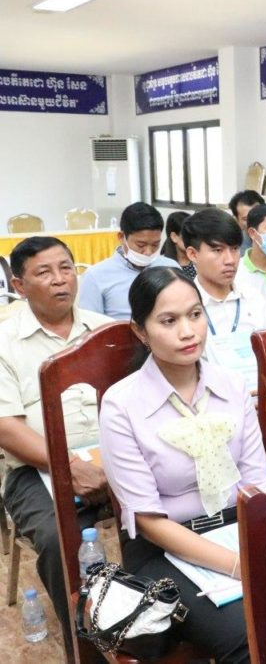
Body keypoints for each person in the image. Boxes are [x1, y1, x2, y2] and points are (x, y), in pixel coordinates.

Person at [99, 267, 266, 663]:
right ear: (141, 331)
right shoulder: (121, 405)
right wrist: (243, 566)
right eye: (169, 321)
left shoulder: (230, 385)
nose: (188, 332)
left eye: (195, 315)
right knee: (247, 636)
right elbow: (148, 521)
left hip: (241, 529)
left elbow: (260, 482)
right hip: (166, 548)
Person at [0, 237, 111, 646]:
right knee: (55, 535)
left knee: (172, 500)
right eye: (44, 272)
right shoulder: (5, 341)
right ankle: (88, 643)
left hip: (113, 455)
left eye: (66, 268)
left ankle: (157, 617)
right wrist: (69, 467)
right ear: (19, 285)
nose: (60, 280)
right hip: (36, 468)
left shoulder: (106, 330)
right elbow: (6, 427)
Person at [79, 202, 179, 319]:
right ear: (122, 237)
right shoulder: (96, 276)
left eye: (155, 245)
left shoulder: (171, 268)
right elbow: (90, 325)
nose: (148, 252)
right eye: (141, 245)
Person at [182, 209, 266, 338]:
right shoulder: (182, 305)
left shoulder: (254, 299)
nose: (230, 260)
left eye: (235, 249)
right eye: (218, 250)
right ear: (193, 254)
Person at [160, 210, 197, 279]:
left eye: (194, 236)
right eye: (187, 236)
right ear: (174, 237)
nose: (192, 240)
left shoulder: (199, 262)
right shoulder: (161, 266)